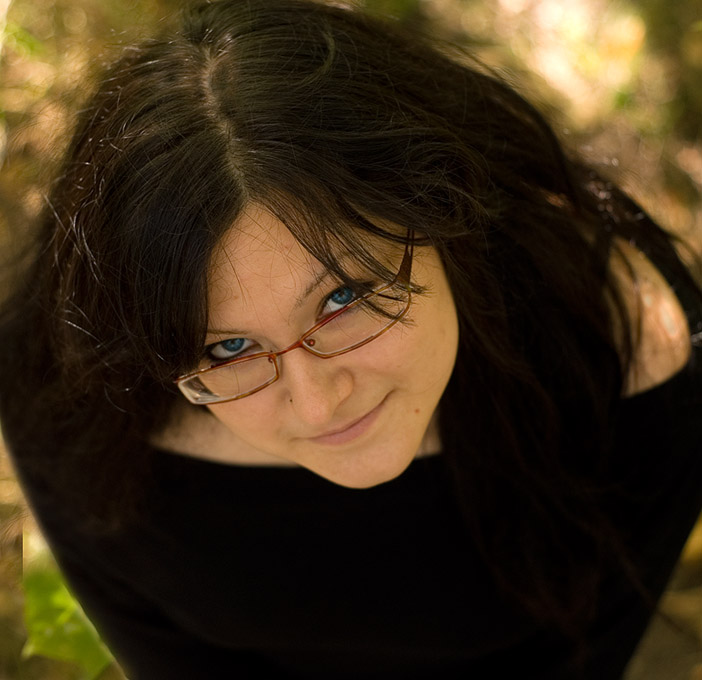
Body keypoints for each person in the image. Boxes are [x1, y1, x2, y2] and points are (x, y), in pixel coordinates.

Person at [1, 0, 701, 677]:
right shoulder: (67, 405)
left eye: (343, 299)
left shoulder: (628, 352)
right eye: (228, 349)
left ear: (448, 211)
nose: (316, 405)